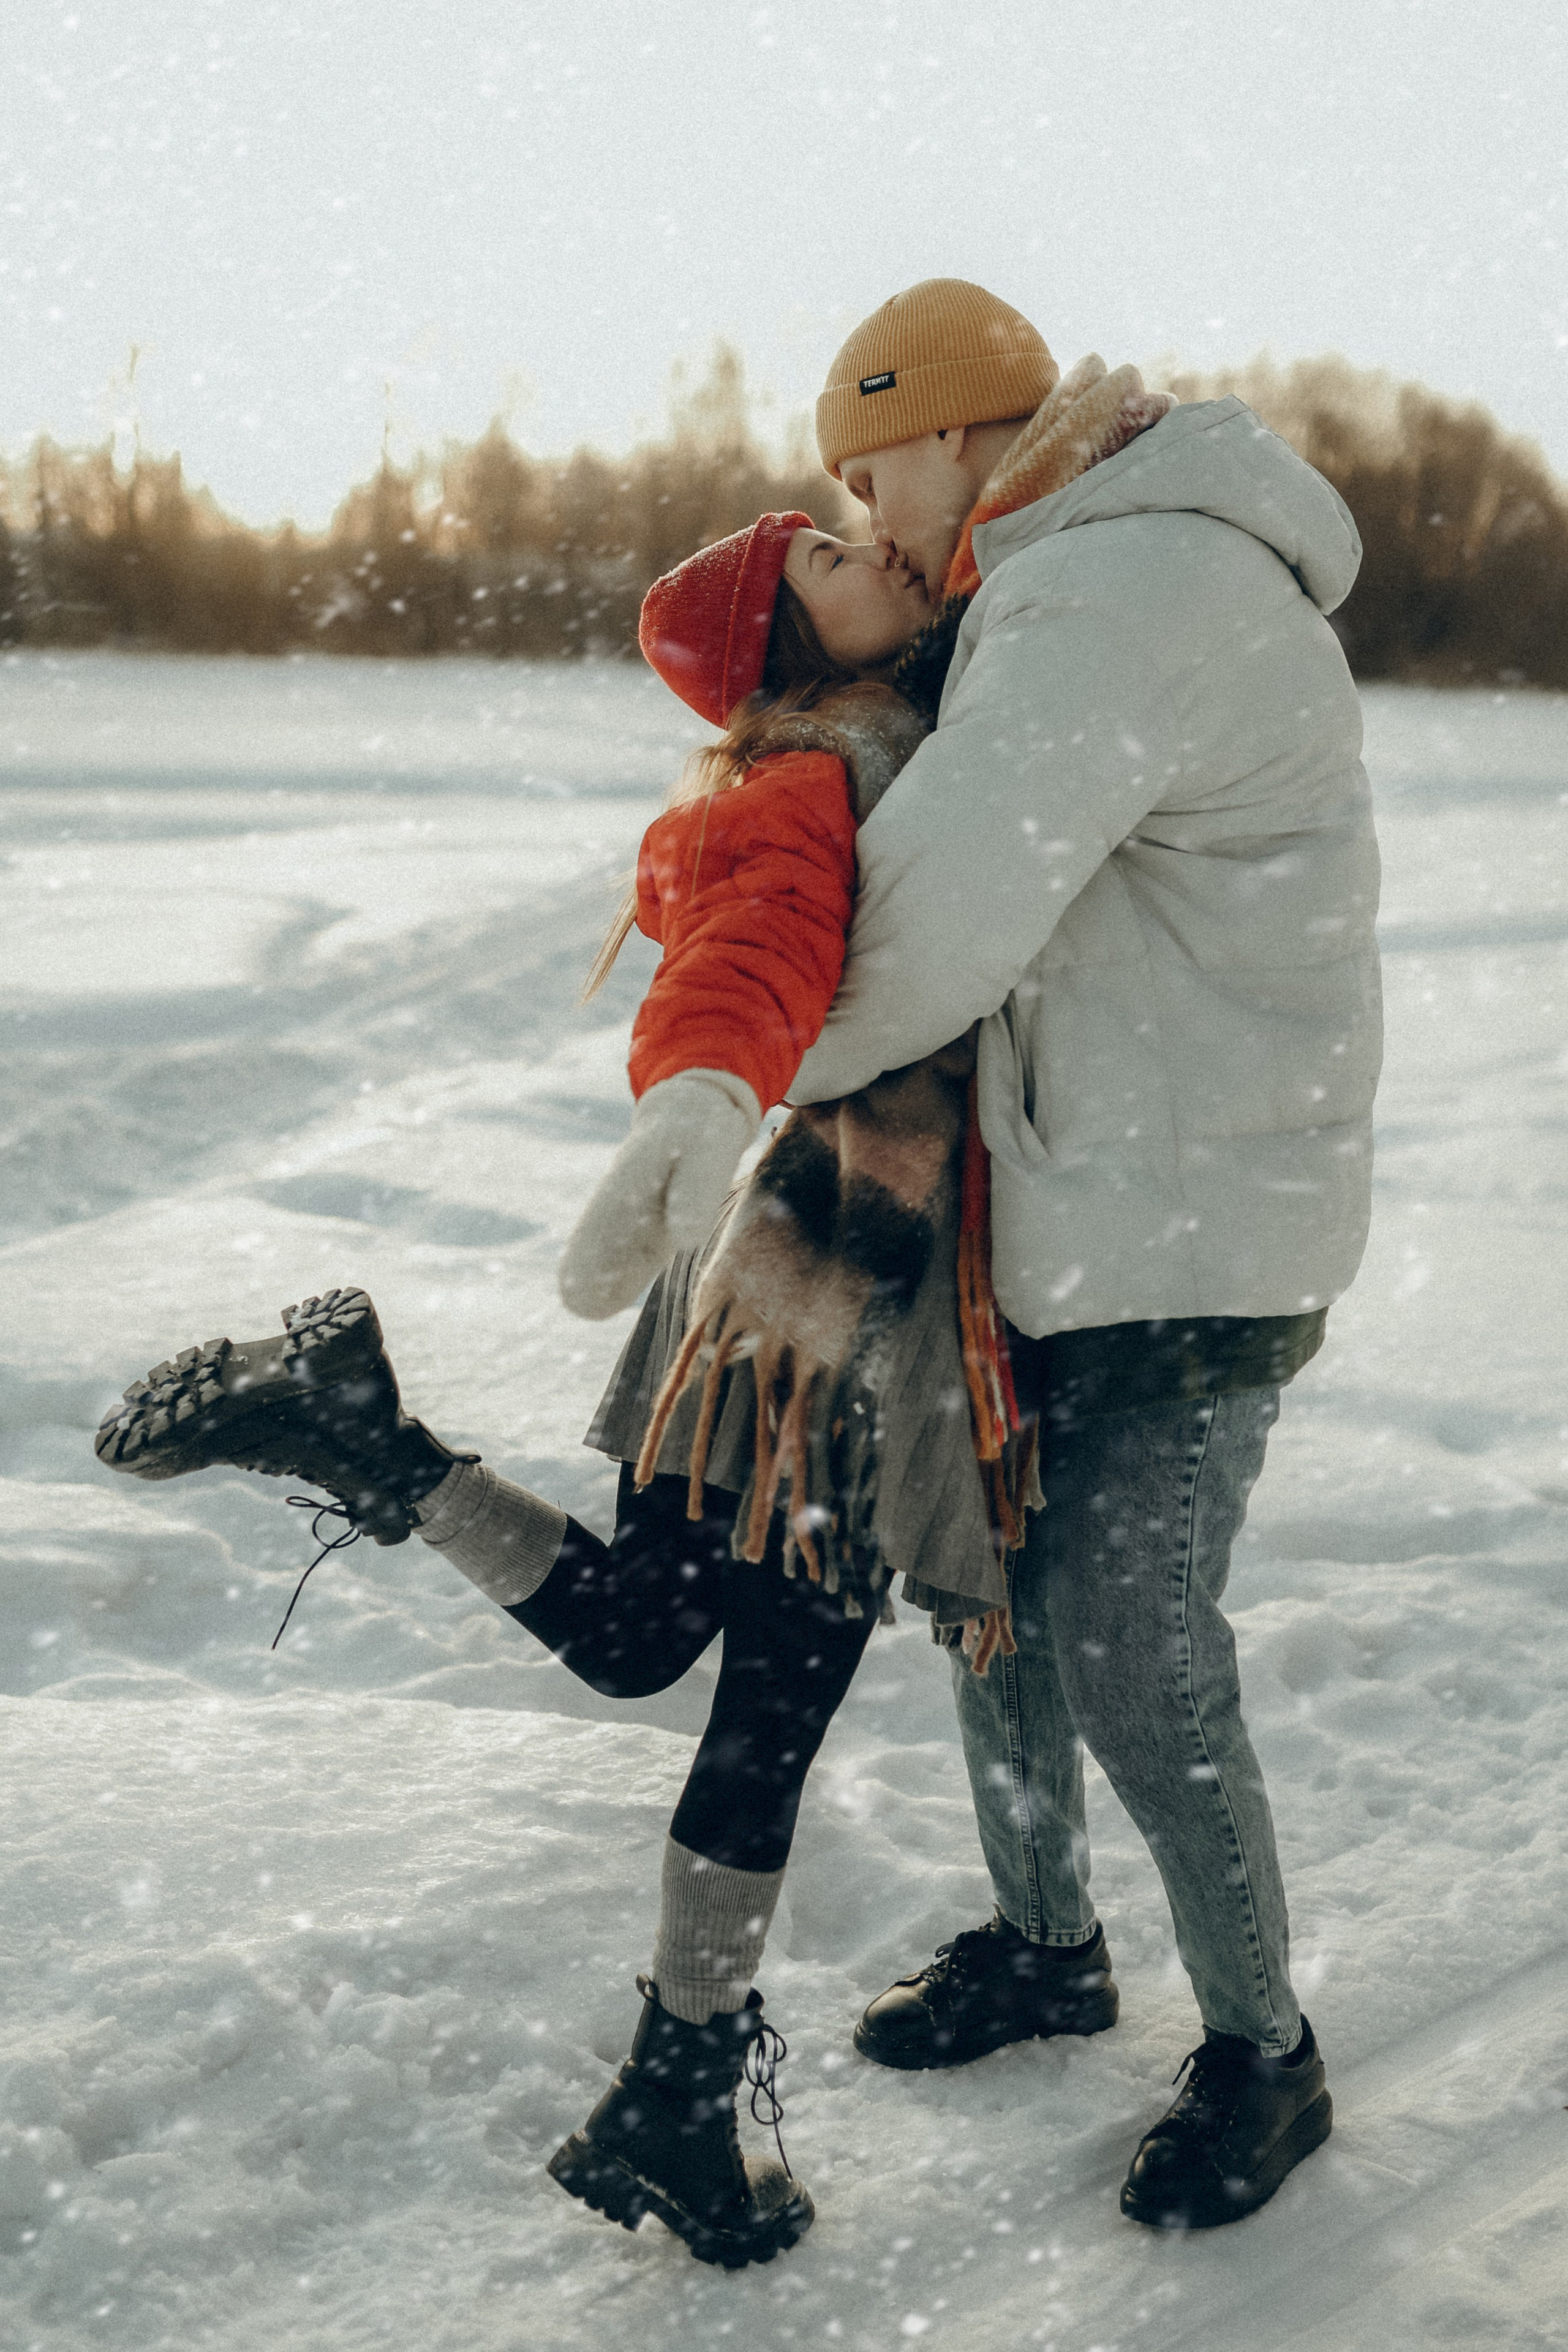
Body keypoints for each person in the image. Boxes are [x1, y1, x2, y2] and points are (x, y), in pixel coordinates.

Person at [92, 509, 971, 2271]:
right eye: (822, 557)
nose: (864, 540)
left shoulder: (875, 729)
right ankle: (675, 2100)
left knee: (656, 1632)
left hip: (750, 1268)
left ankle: (368, 1437)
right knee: (768, 1704)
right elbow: (758, 937)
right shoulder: (839, 761)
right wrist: (703, 1080)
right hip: (827, 1292)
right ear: (792, 652)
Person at [770, 278, 1381, 2231]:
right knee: (996, 1592)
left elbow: (928, 925)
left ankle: (1265, 2054)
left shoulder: (1116, 590)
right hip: (1091, 1193)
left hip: (1185, 1214)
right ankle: (1049, 1947)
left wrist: (735, 1050)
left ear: (959, 434)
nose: (864, 522)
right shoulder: (1060, 581)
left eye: (870, 471)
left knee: (1131, 1642)